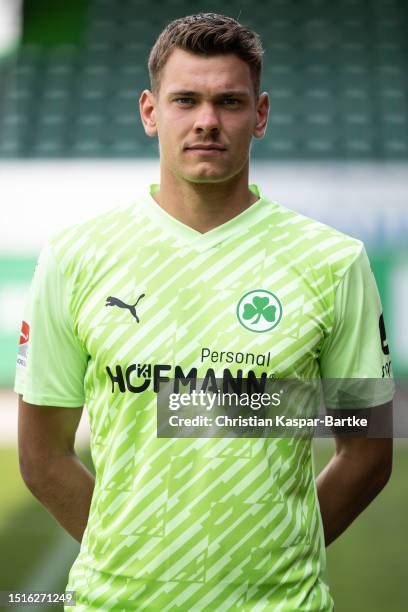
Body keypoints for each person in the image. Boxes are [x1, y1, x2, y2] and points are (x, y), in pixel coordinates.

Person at [15, 12, 394, 612]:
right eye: (185, 100)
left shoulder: (333, 262)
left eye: (230, 102)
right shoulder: (74, 258)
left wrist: (279, 555)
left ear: (261, 115)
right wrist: (132, 562)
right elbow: (42, 455)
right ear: (149, 112)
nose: (207, 121)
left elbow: (367, 451)